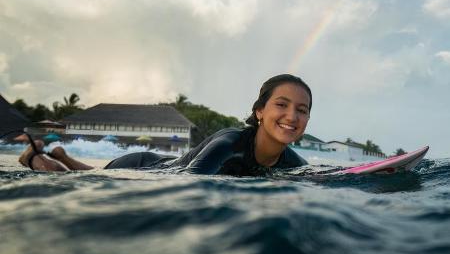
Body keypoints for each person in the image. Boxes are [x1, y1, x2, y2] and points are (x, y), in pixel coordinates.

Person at [18, 74, 312, 176]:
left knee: (88, 174)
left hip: (164, 164)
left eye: (302, 110)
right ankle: (34, 156)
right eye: (281, 105)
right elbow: (184, 187)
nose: (292, 116)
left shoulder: (291, 161)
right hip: (145, 167)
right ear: (259, 110)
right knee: (80, 184)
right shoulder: (228, 146)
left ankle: (62, 155)